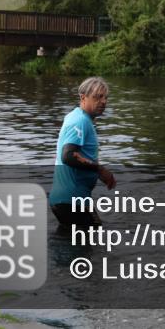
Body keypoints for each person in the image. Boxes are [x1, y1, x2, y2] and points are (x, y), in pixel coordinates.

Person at [49, 76, 117, 227]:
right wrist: (99, 169)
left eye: (105, 97)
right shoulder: (79, 121)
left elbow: (75, 155)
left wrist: (97, 172)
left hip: (67, 199)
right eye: (98, 97)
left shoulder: (78, 117)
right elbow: (68, 156)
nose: (104, 102)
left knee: (75, 243)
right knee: (93, 240)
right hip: (72, 200)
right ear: (83, 97)